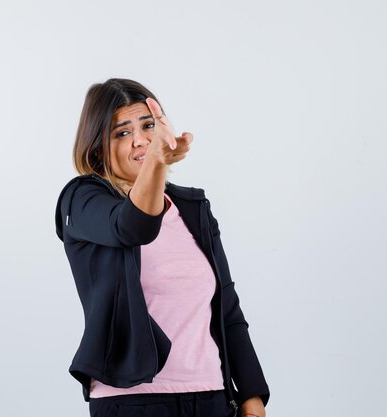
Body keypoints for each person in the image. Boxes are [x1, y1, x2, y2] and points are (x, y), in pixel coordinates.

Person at [55, 78, 270, 417]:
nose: (140, 140)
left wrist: (252, 394)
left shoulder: (193, 208)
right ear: (98, 149)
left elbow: (226, 308)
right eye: (122, 132)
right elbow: (132, 227)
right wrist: (156, 162)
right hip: (132, 401)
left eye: (149, 126)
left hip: (212, 396)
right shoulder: (82, 202)